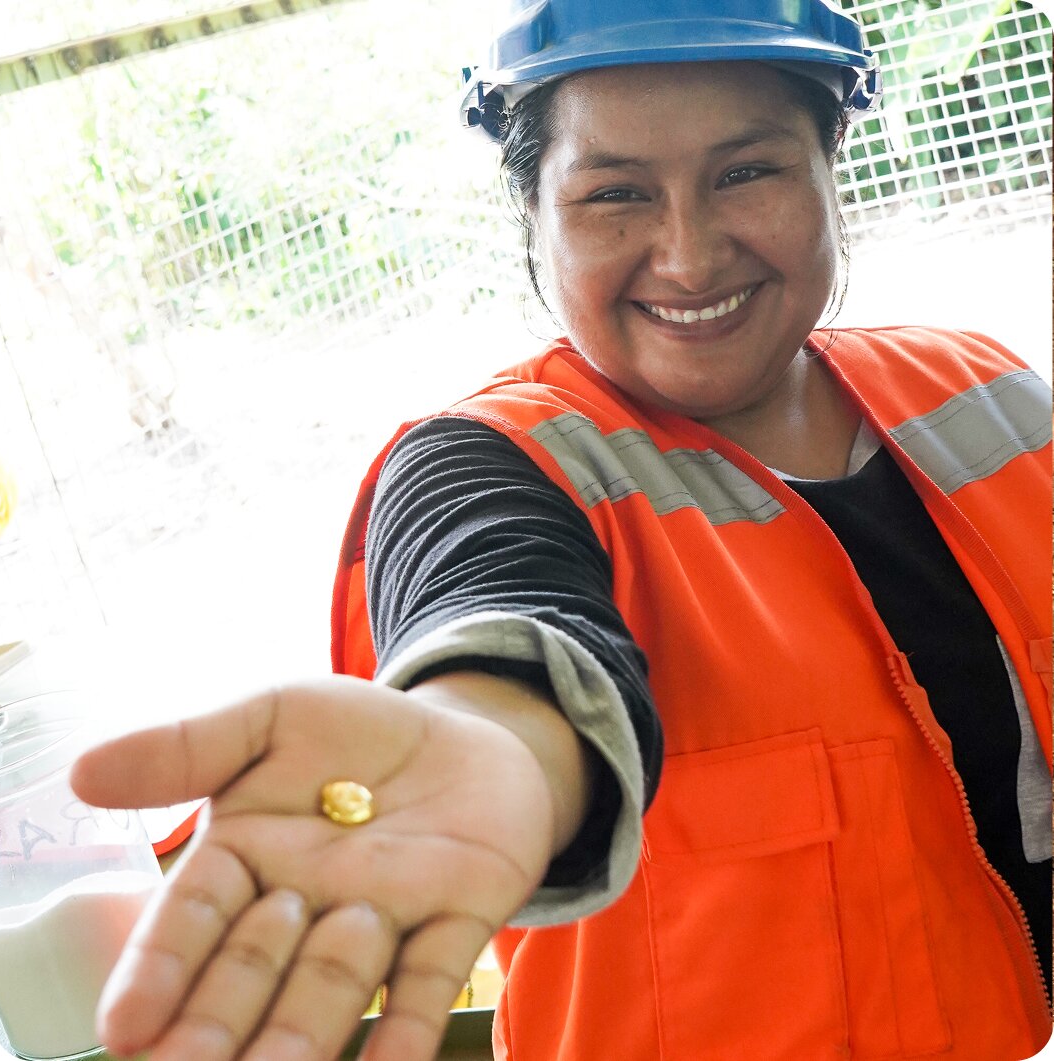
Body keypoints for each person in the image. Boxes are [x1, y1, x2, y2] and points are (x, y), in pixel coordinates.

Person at [70, 2, 1052, 1059]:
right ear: (533, 216)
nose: (686, 255)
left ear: (828, 165)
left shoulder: (984, 389)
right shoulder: (488, 463)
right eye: (613, 195)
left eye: (745, 174)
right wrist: (486, 748)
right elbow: (500, 607)